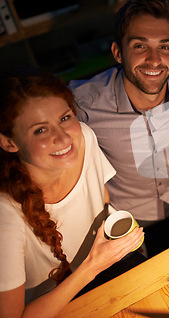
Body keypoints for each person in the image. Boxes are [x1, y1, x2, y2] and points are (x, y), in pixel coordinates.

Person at [69, 0, 169, 257]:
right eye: (140, 46)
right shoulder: (84, 102)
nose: (154, 59)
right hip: (130, 225)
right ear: (118, 52)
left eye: (164, 47)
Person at [0, 68, 144, 318]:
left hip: (101, 272)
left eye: (65, 118)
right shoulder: (5, 212)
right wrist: (92, 266)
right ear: (9, 143)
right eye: (40, 130)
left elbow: (101, 198)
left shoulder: (84, 138)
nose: (63, 137)